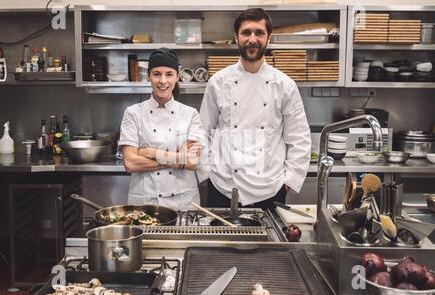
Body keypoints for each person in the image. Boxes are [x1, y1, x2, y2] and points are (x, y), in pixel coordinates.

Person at [199, 8, 311, 211]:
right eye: (246, 32)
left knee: (267, 244)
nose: (252, 39)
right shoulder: (218, 82)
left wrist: (287, 183)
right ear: (236, 37)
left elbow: (299, 139)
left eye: (259, 33)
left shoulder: (284, 85)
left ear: (268, 38)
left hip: (269, 190)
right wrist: (208, 173)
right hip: (223, 188)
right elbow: (203, 132)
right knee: (220, 243)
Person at [119, 48, 204, 210]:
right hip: (145, 203)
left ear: (177, 77)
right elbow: (130, 163)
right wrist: (179, 159)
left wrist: (151, 153)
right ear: (149, 76)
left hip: (183, 203)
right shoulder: (133, 113)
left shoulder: (190, 114)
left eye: (169, 74)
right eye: (157, 74)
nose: (163, 81)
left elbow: (192, 160)